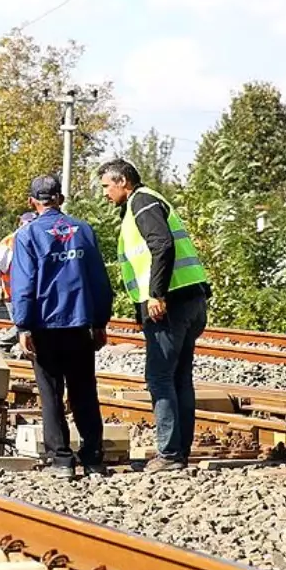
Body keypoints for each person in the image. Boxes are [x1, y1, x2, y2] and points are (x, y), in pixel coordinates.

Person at [99, 158, 210, 472]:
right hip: (190, 298)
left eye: (107, 186)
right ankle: (179, 450)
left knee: (160, 378)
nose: (105, 193)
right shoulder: (151, 201)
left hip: (170, 304)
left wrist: (156, 294)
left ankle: (170, 454)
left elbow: (162, 244)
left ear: (122, 181)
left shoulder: (142, 202)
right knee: (179, 377)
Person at [12, 175, 113, 479]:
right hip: (81, 323)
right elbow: (99, 281)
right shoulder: (83, 230)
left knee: (51, 393)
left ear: (33, 202)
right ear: (61, 199)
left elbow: (24, 285)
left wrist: (24, 326)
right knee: (84, 390)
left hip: (45, 326)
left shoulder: (28, 235)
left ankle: (62, 460)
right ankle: (93, 456)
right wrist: (100, 321)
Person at [0, 211, 39, 351]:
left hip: (30, 292)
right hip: (13, 292)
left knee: (27, 324)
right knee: (23, 324)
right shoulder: (9, 242)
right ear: (21, 224)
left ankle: (22, 350)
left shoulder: (35, 239)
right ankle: (2, 345)